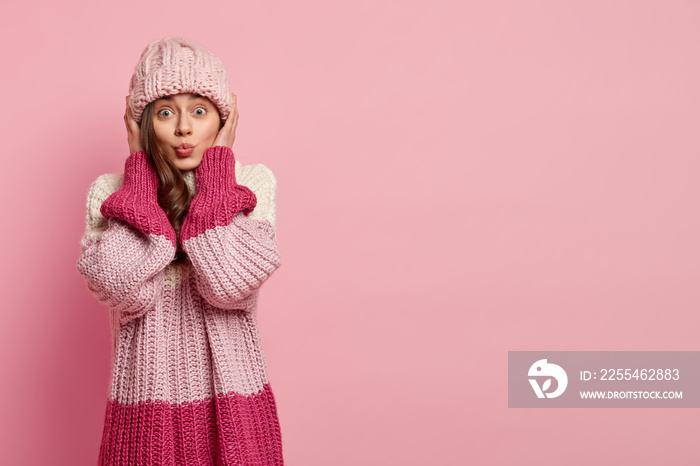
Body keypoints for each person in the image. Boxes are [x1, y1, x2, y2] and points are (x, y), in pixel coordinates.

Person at [76, 36, 284, 465]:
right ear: (141, 122)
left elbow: (230, 286)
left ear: (224, 121)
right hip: (143, 411)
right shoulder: (110, 192)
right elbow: (125, 292)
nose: (184, 128)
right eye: (166, 112)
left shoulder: (252, 184)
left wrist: (218, 175)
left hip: (236, 404)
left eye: (200, 111)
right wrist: (137, 178)